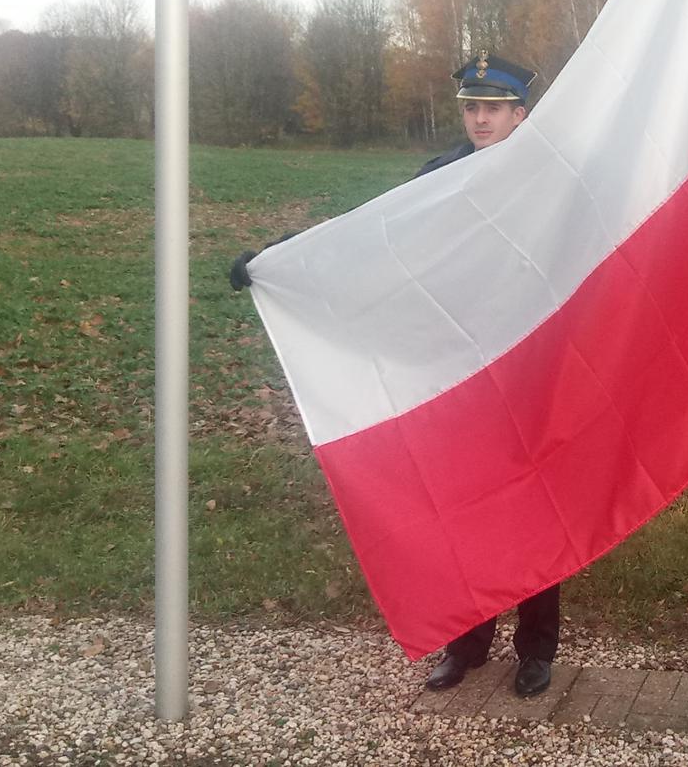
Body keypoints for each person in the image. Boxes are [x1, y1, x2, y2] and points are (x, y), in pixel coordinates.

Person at [228, 52, 562, 699]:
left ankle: (536, 648)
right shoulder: (438, 178)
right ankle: (466, 642)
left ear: (523, 114)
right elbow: (370, 240)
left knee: (530, 510)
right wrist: (277, 262)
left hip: (525, 370)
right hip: (453, 371)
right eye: (471, 106)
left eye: (494, 107)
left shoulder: (550, 179)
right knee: (460, 509)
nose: (480, 118)